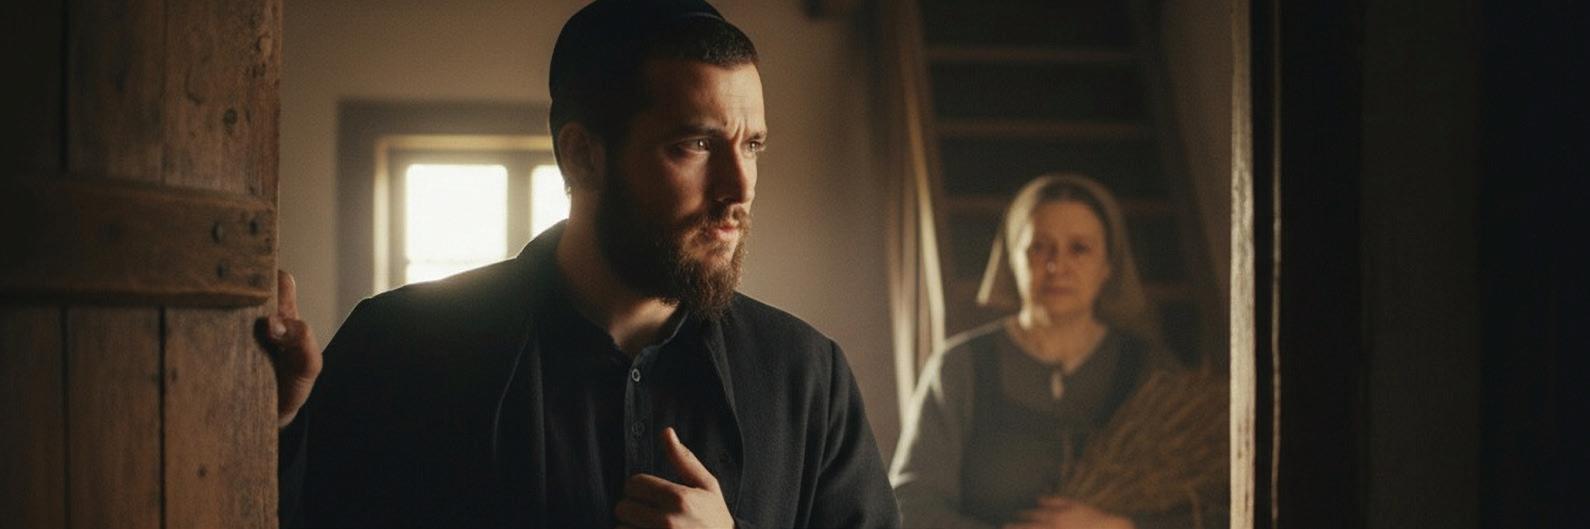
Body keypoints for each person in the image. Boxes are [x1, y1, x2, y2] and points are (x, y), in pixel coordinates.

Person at [259, 1, 899, 527]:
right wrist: (272, 427)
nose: (739, 189)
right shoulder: (399, 348)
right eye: (696, 144)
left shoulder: (807, 378)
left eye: (751, 145)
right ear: (582, 156)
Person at [890, 174, 1220, 529]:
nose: (1057, 265)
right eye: (1039, 247)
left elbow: (1211, 509)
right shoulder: (960, 367)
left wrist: (1117, 527)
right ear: (1012, 259)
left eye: (1079, 248)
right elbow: (909, 506)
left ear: (1108, 266)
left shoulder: (1151, 372)